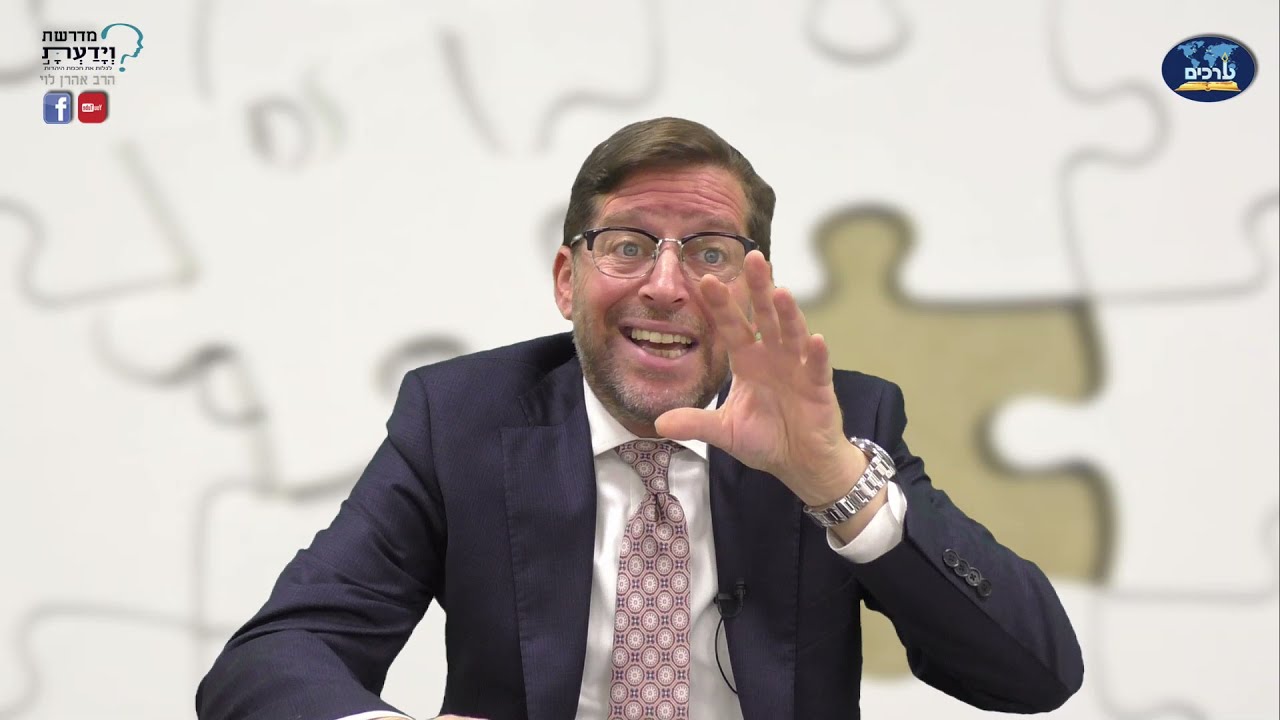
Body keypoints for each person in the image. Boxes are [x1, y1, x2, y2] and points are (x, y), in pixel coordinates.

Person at [195, 117, 1083, 720]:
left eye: (709, 252)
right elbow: (272, 659)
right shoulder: (458, 419)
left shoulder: (840, 422)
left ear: (753, 287)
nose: (666, 285)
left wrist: (835, 485)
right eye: (627, 245)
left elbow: (1036, 676)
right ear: (567, 280)